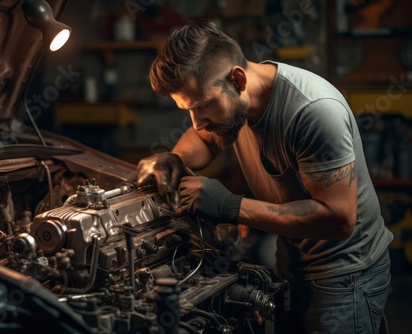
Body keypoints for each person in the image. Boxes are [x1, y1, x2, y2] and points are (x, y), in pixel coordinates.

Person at [136, 19, 393, 334]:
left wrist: (232, 206)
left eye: (202, 106)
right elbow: (203, 138)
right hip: (292, 265)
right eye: (188, 110)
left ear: (237, 79)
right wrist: (174, 158)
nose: (197, 122)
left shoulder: (314, 111)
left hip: (345, 274)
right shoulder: (232, 105)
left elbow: (339, 219)